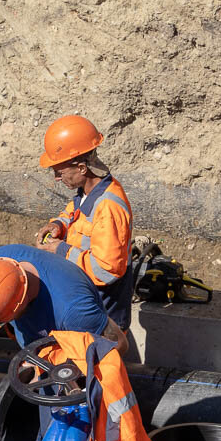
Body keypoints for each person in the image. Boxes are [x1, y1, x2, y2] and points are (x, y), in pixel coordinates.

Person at [0, 243, 126, 393]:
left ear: (20, 304)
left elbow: (119, 344)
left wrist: (61, 371)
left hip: (69, 357)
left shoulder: (74, 310)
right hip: (40, 351)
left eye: (1, 320)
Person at [33, 115, 135, 334]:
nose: (56, 178)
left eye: (59, 172)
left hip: (105, 318)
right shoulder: (88, 193)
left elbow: (105, 270)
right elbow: (74, 213)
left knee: (99, 368)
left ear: (81, 167)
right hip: (88, 304)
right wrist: (58, 225)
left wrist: (60, 249)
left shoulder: (108, 207)